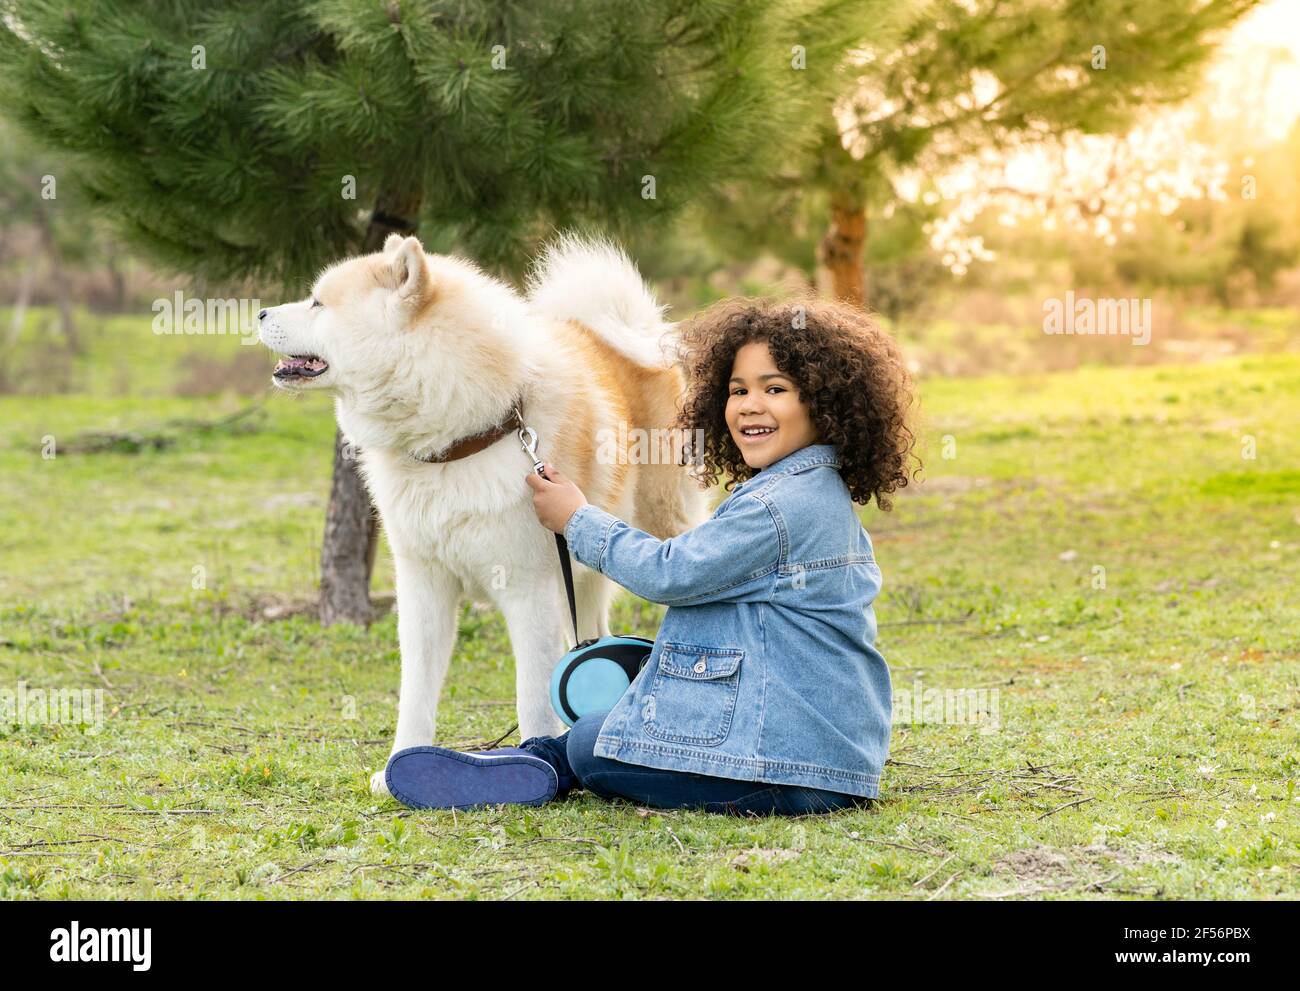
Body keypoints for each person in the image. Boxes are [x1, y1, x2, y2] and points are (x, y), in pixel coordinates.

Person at [383, 295, 919, 816]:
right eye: (737, 391)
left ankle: (541, 764)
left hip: (780, 766)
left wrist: (577, 518)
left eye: (775, 388)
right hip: (818, 758)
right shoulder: (809, 492)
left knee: (594, 741)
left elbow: (672, 574)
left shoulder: (781, 507)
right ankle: (537, 759)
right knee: (616, 718)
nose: (750, 405)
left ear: (826, 406)